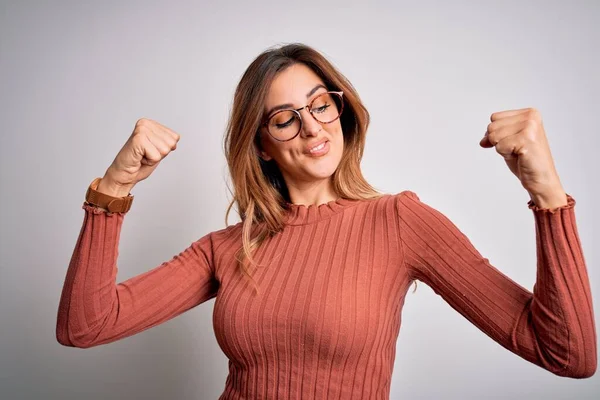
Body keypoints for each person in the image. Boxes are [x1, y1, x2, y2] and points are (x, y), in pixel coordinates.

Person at [56, 43, 597, 399]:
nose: (312, 128)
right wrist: (115, 187)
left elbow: (566, 354)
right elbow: (86, 326)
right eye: (284, 119)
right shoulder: (229, 247)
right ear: (262, 145)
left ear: (342, 110)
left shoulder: (400, 221)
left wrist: (547, 194)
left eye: (321, 104)